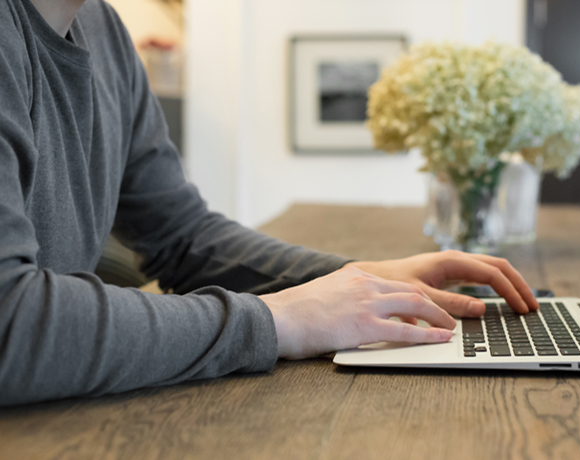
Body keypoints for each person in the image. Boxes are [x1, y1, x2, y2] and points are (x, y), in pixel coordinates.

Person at [0, 0, 539, 407]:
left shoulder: (103, 30)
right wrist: (276, 320)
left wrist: (357, 281)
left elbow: (183, 234)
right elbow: (10, 321)